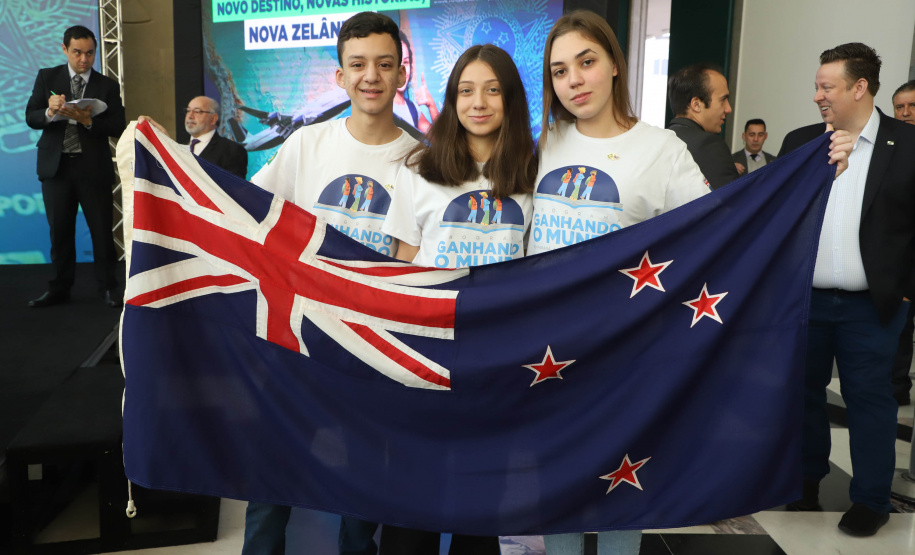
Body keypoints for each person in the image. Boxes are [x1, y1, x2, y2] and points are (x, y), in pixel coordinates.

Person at [528, 10, 711, 553]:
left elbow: (718, 232)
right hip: (550, 350)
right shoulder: (543, 144)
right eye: (560, 71)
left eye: (586, 62)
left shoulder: (662, 149)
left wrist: (814, 172)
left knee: (621, 487)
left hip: (627, 349)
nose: (574, 80)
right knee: (556, 484)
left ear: (614, 64)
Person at [246, 12, 419, 555]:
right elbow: (246, 209)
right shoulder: (306, 145)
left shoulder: (422, 159)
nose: (372, 76)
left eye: (384, 64)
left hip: (372, 340)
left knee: (363, 475)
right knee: (273, 470)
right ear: (340, 76)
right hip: (299, 332)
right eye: (358, 64)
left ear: (402, 74)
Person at [380, 43, 536, 550]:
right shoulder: (419, 169)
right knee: (414, 498)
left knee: (482, 500)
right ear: (451, 100)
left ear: (511, 100)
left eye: (492, 90)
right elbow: (402, 266)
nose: (478, 103)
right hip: (428, 350)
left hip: (499, 355)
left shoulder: (533, 173)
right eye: (466, 91)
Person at [778, 42, 915, 538]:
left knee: (870, 400)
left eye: (826, 86)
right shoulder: (801, 142)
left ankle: (871, 500)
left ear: (859, 88)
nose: (817, 95)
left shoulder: (908, 144)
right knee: (803, 396)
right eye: (817, 86)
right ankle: (804, 481)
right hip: (806, 301)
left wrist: (906, 291)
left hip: (874, 306)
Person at [25, 25, 126, 308]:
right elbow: (31, 117)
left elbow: (118, 125)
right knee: (59, 232)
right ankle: (59, 288)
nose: (84, 59)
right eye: (77, 52)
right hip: (56, 168)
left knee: (102, 232)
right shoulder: (47, 77)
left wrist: (88, 121)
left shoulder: (107, 85)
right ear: (65, 49)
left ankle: (108, 288)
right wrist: (49, 111)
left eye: (90, 53)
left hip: (92, 168)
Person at [666, 63, 740, 190]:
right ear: (696, 104)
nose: (728, 109)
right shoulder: (709, 145)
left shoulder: (659, 143)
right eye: (723, 100)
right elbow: (733, 200)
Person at [890, 79, 915, 405]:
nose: (906, 112)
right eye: (900, 107)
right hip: (902, 263)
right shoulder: (890, 150)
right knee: (899, 329)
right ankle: (896, 389)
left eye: (912, 106)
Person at [184, 96, 248, 179]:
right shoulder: (179, 147)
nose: (190, 116)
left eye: (197, 111)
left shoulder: (232, 150)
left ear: (213, 119)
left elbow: (233, 185)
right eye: (188, 111)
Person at [394, 31, 440, 136]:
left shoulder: (413, 109)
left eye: (405, 62)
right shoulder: (378, 107)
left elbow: (441, 140)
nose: (402, 70)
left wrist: (431, 105)